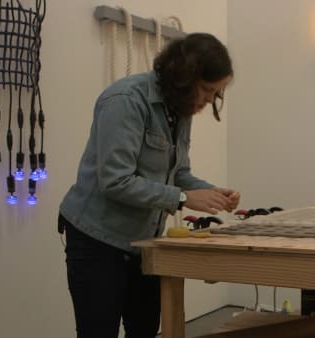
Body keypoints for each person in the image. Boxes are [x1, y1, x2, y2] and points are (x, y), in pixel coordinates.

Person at [58, 32, 240, 338]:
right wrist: (183, 198)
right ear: (184, 77)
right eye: (208, 90)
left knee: (144, 330)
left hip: (142, 244)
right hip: (97, 241)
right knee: (97, 331)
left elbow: (178, 172)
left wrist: (212, 193)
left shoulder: (179, 108)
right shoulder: (126, 101)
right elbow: (116, 180)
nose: (209, 100)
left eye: (216, 93)